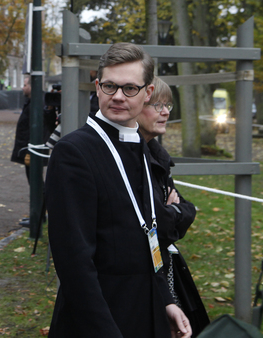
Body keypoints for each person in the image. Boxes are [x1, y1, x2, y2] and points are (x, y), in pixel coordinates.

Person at [45, 42, 191, 338]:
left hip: (146, 309)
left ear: (147, 93)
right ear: (98, 87)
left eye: (130, 88)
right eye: (110, 86)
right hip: (99, 319)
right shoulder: (73, 152)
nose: (119, 97)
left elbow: (148, 235)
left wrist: (165, 300)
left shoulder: (141, 146)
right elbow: (74, 263)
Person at [139, 76, 210, 336]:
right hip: (143, 280)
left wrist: (173, 212)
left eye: (168, 105)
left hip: (163, 272)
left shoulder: (158, 157)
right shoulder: (134, 159)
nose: (166, 112)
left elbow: (186, 211)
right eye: (157, 105)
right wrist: (170, 213)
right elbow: (159, 227)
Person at [11, 76, 56, 227]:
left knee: (37, 184)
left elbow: (44, 127)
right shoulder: (33, 102)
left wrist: (32, 150)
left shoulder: (39, 103)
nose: (23, 88)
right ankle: (38, 215)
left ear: (32, 86)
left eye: (25, 85)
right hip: (29, 149)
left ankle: (39, 215)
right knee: (35, 183)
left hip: (33, 150)